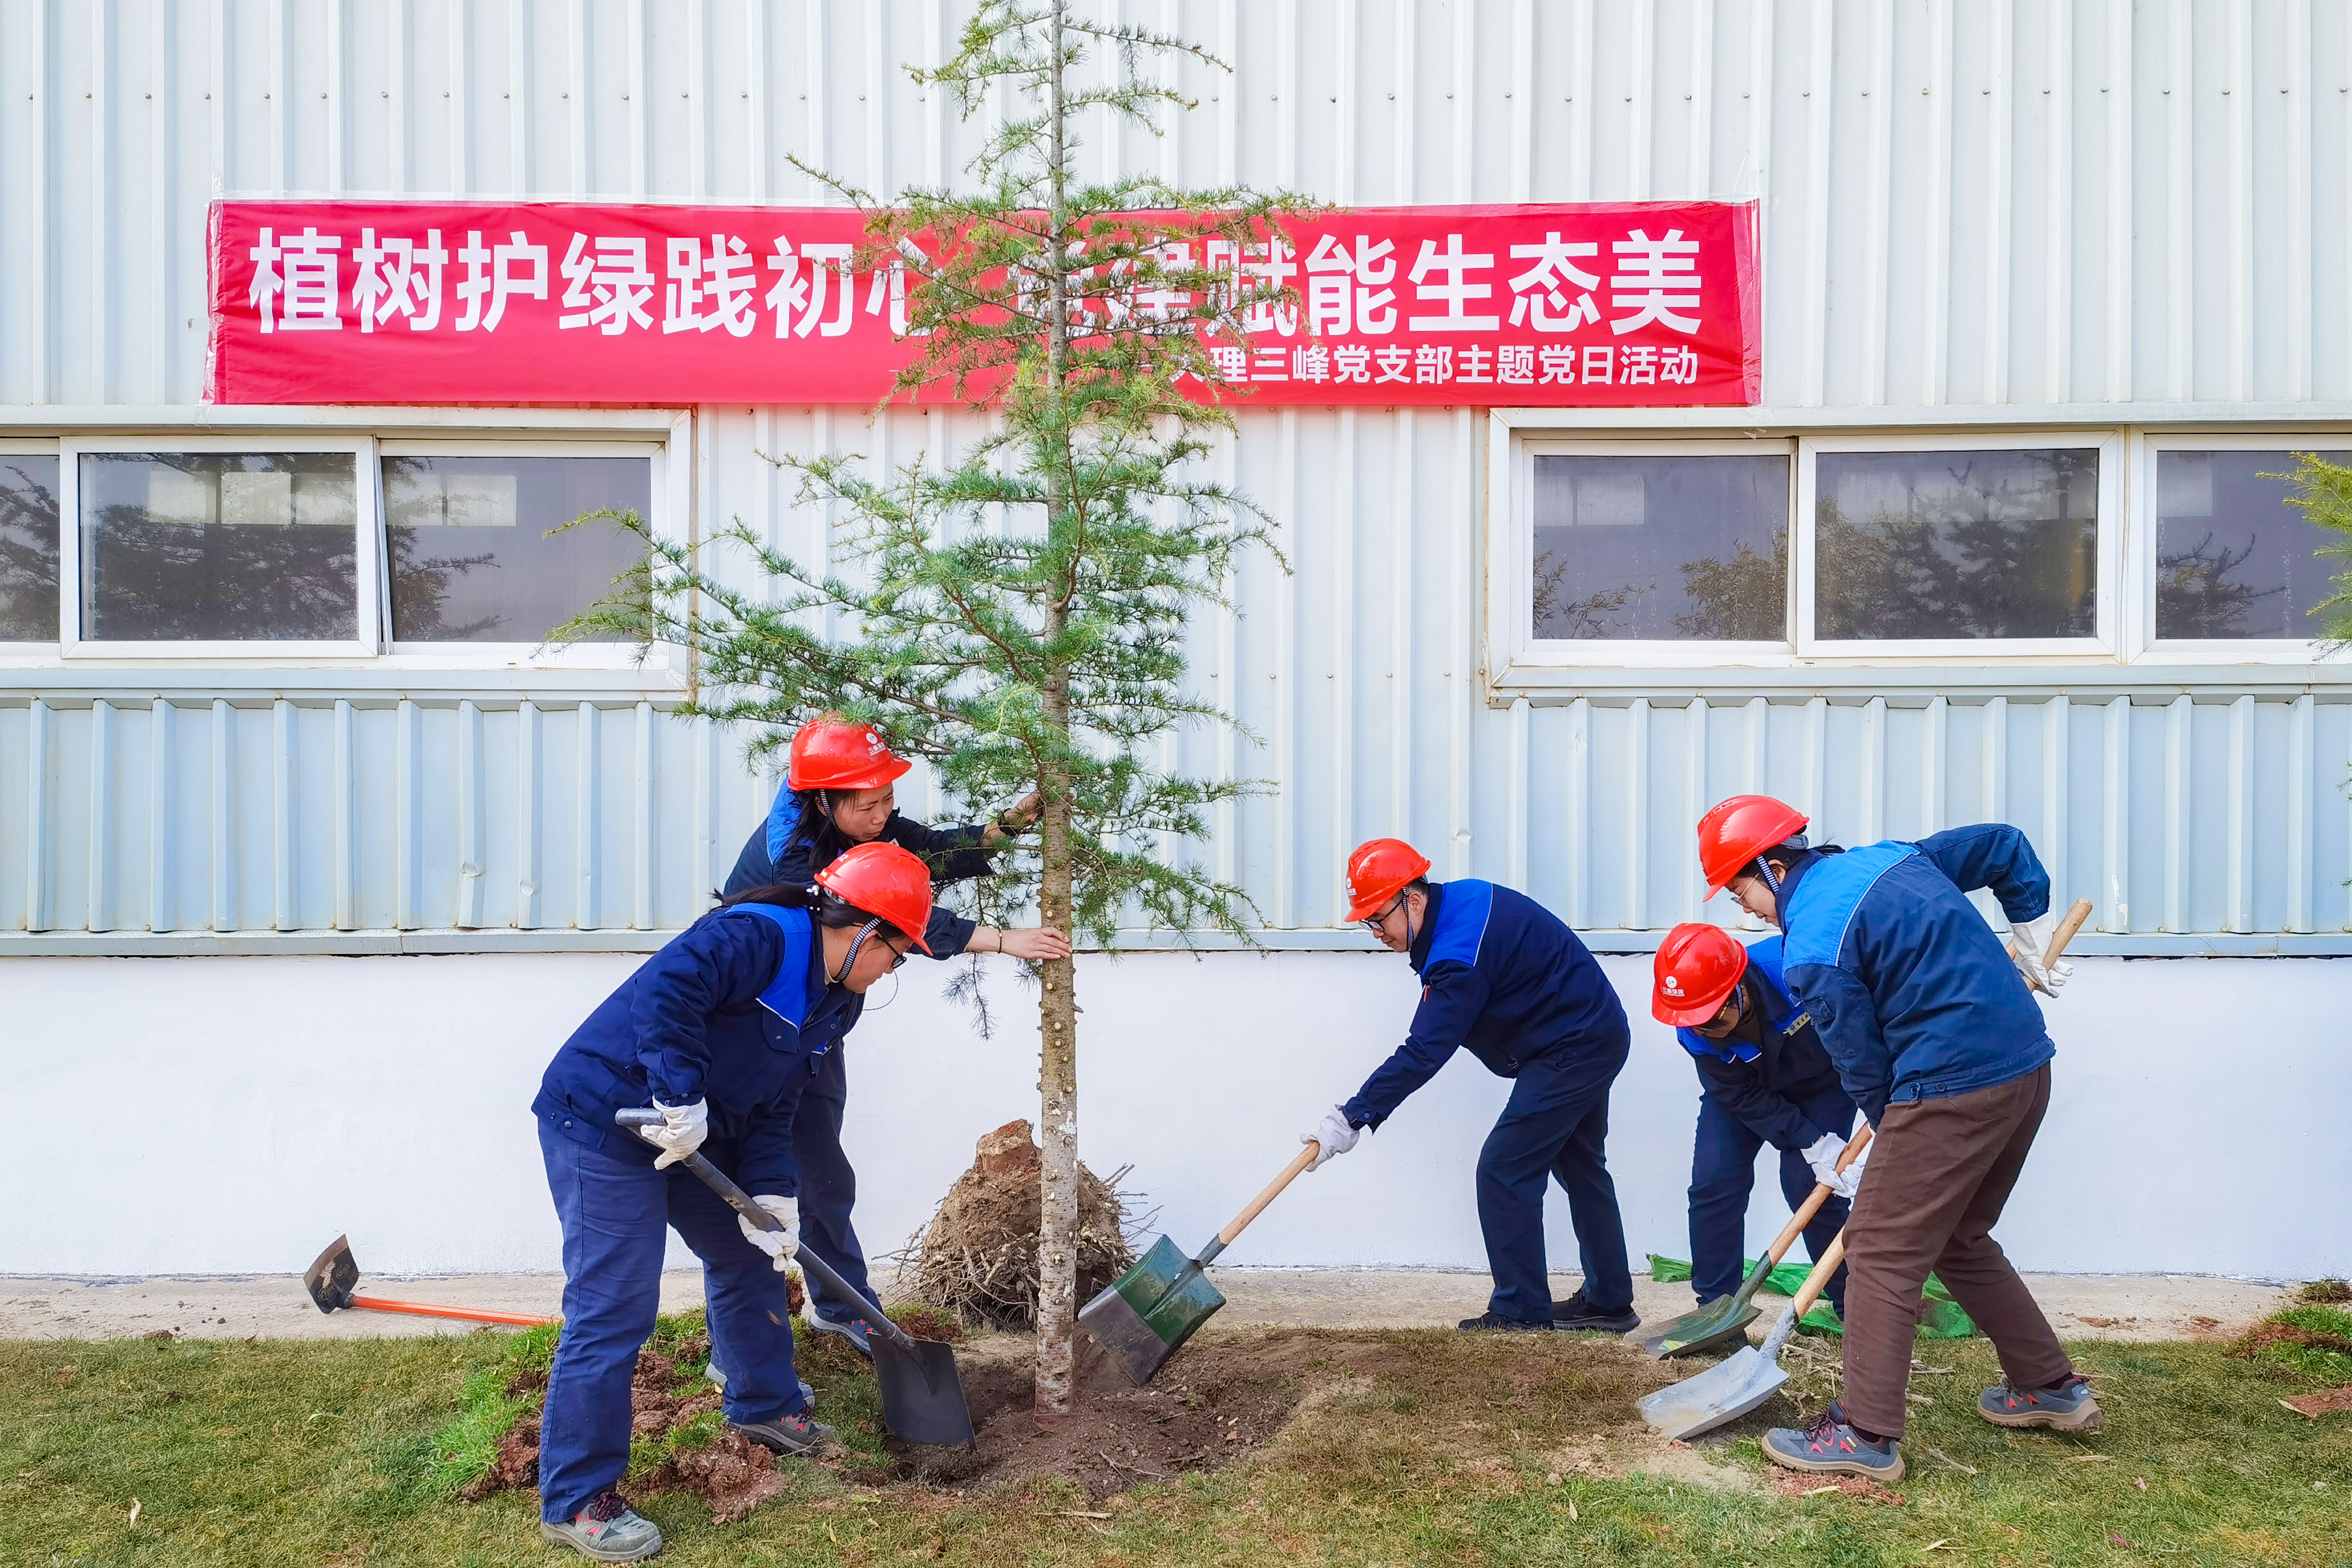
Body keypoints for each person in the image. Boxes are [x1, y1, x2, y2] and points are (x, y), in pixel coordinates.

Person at [528, 841, 937, 1563]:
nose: (892, 971)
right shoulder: (756, 934)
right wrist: (679, 1092)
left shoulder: (837, 1001)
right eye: (897, 955)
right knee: (614, 1303)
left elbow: (780, 1102)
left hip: (696, 1130)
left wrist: (774, 1191)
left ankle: (764, 1405)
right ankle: (577, 1495)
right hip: (604, 1119)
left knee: (747, 1254)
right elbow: (668, 991)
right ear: (864, 930)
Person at [1694, 795, 2095, 1486]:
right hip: (2025, 1068)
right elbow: (2002, 844)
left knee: (1879, 1246)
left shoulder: (1810, 944)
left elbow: (1861, 1064)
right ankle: (2048, 1385)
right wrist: (2025, 928)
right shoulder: (1891, 857)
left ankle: (1863, 1429)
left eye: (1743, 891)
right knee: (1959, 1234)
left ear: (1770, 864)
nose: (1750, 911)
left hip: (1949, 1084)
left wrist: (1895, 1134)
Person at [721, 716, 1070, 1358]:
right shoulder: (794, 855)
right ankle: (746, 1340)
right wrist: (999, 939)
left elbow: (930, 854)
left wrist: (1012, 822)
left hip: (817, 1019)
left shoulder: (857, 820)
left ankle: (838, 1304)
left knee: (822, 1170)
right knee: (761, 1185)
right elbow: (887, 914)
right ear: (825, 798)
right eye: (869, 802)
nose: (884, 813)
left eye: (889, 799)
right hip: (753, 1025)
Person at [1300, 838, 1640, 1334]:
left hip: (1572, 1047)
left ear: (1412, 900)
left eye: (1377, 918)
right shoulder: (1461, 899)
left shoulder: (1456, 956)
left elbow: (1424, 1050)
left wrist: (1353, 1115)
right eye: (1367, 922)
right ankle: (1608, 1302)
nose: (1374, 932)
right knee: (1580, 1166)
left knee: (1503, 1170)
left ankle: (1520, 1312)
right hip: (1589, 1031)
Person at [1651, 921, 1857, 1321]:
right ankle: (1715, 1312)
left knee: (1809, 1185)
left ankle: (1855, 1306)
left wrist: (1878, 1105)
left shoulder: (1796, 970)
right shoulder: (1692, 1026)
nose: (1701, 1030)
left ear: (1739, 992)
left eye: (1710, 1020)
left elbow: (1857, 1031)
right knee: (1714, 1182)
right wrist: (1808, 1139)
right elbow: (1736, 1094)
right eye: (1690, 1021)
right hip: (1743, 1092)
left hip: (1823, 1085)